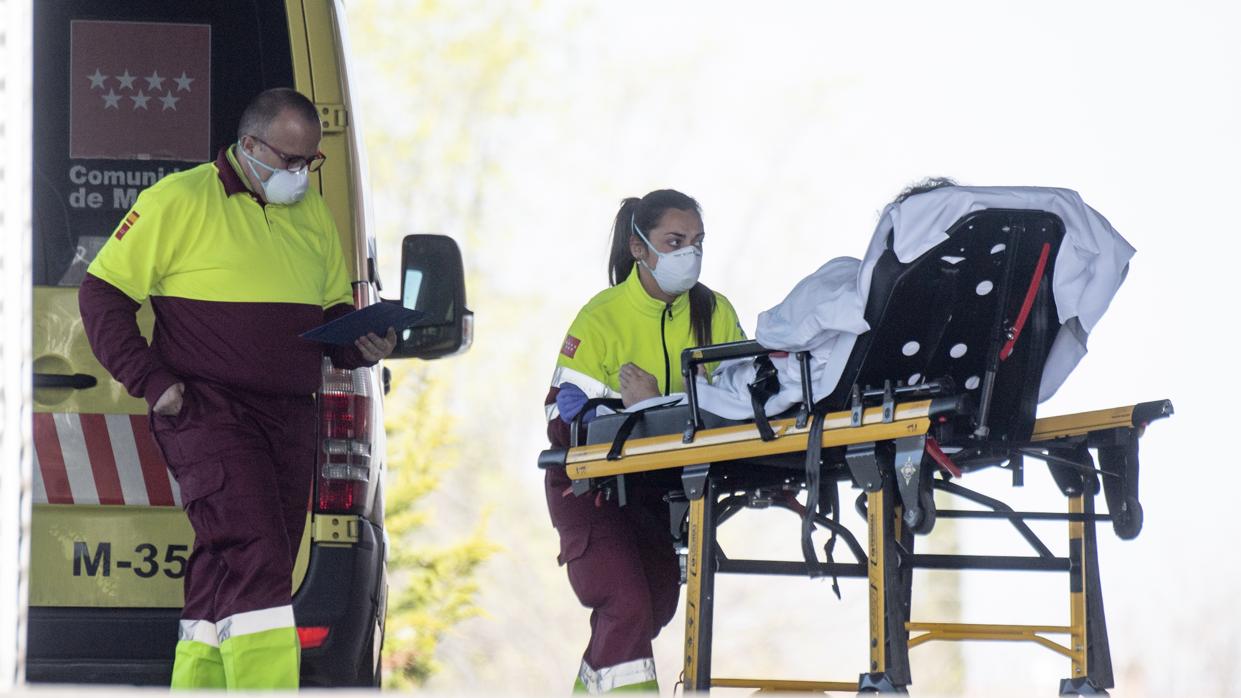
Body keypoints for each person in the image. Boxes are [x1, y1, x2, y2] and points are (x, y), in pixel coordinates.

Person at [78, 87, 396, 690]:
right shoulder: (177, 200)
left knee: (224, 564)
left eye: (310, 163)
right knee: (259, 556)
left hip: (289, 417)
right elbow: (101, 296)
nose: (300, 175)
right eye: (289, 160)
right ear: (249, 145)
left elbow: (333, 326)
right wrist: (153, 382)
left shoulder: (315, 216)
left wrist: (363, 345)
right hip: (207, 410)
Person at [543, 189, 746, 693]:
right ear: (639, 248)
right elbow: (560, 413)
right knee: (627, 606)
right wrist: (630, 408)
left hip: (657, 491)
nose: (689, 254)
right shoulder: (601, 317)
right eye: (675, 241)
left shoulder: (714, 312)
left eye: (697, 242)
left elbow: (742, 395)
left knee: (652, 608)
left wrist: (658, 404)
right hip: (590, 490)